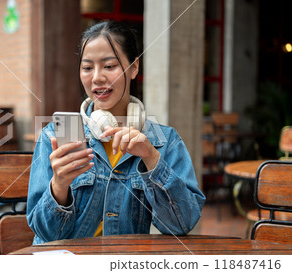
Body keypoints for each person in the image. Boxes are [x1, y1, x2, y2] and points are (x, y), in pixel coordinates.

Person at [27, 20, 205, 245]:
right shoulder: (55, 135)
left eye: (109, 66)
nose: (96, 78)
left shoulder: (163, 142)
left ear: (134, 68)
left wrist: (151, 159)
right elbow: (46, 234)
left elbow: (182, 224)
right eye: (87, 67)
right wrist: (59, 187)